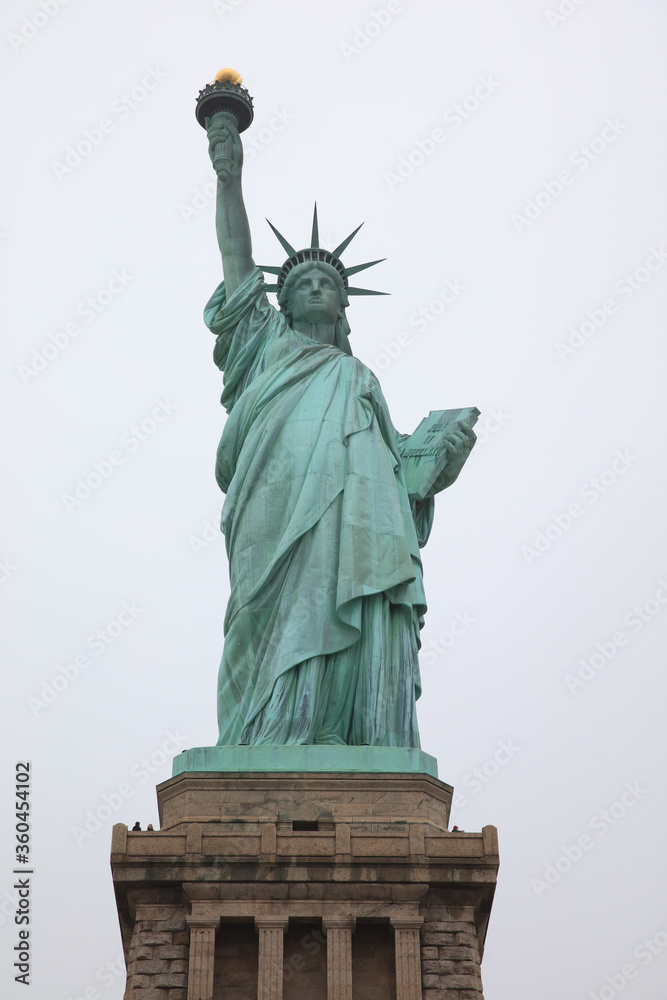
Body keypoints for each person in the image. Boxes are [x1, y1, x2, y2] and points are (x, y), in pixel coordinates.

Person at [203, 113, 475, 749]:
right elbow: (236, 258)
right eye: (304, 284)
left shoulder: (360, 377)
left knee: (350, 597)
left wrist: (437, 459)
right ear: (286, 301)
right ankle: (268, 735)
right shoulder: (265, 343)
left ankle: (340, 730)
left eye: (328, 283)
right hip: (273, 505)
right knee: (263, 620)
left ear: (343, 304)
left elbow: (395, 466)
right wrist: (227, 178)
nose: (317, 288)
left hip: (355, 514)